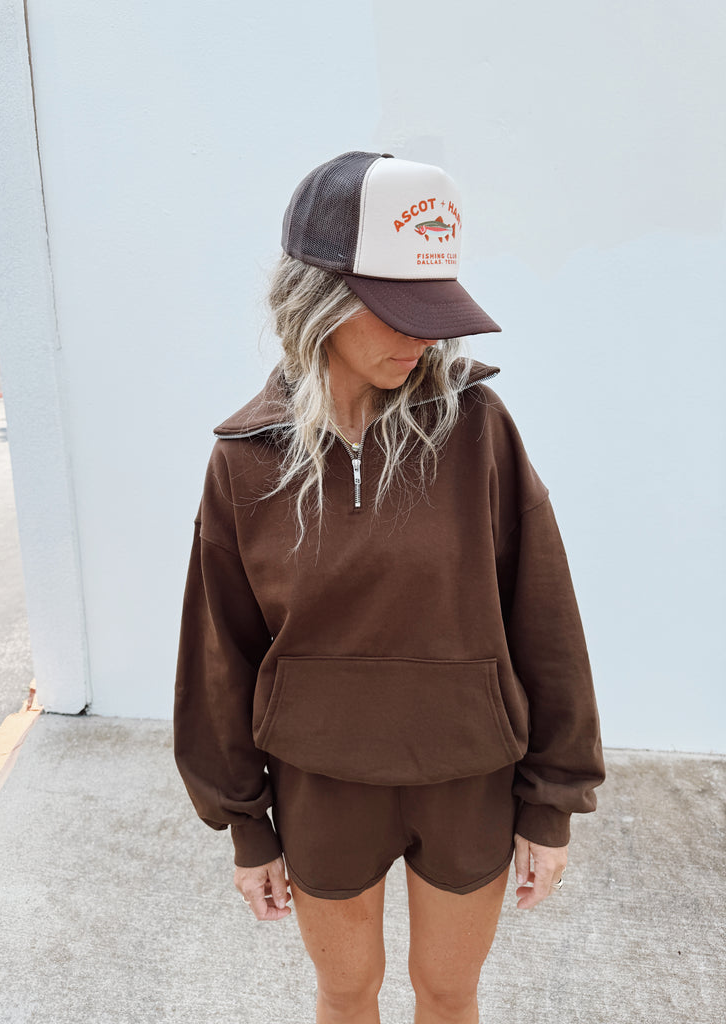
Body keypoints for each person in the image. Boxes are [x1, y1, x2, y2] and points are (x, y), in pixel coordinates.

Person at [174, 151, 604, 1024]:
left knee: (449, 992)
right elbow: (219, 653)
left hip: (468, 773)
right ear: (317, 301)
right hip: (322, 780)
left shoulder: (478, 430)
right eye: (396, 311)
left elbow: (545, 615)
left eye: (434, 312)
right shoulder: (246, 461)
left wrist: (553, 803)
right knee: (345, 992)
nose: (422, 340)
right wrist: (246, 827)